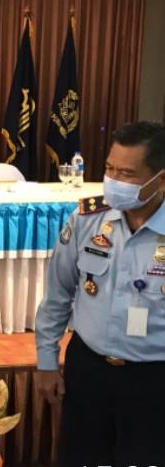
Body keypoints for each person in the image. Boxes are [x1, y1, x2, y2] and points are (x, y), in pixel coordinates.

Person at [36, 121, 165, 467]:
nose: (113, 181)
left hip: (153, 380)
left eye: (127, 174)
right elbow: (58, 292)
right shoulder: (88, 218)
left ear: (161, 179)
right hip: (89, 371)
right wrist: (47, 361)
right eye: (110, 168)